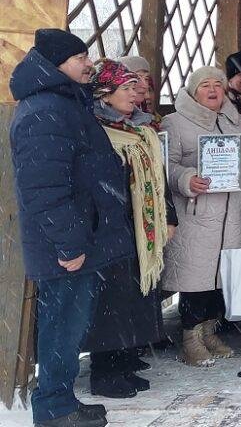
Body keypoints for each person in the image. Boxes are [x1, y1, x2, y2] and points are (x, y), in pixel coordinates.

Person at [10, 29, 130, 427]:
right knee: (61, 327)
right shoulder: (44, 111)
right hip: (65, 247)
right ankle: (54, 409)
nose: (89, 64)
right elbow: (44, 189)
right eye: (81, 58)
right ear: (57, 64)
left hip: (77, 238)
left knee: (68, 326)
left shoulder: (61, 103)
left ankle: (60, 401)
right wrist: (69, 244)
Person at [82, 60, 176, 398]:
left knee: (134, 294)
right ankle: (104, 371)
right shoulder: (94, 131)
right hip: (108, 226)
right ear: (105, 94)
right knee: (110, 300)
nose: (135, 93)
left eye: (135, 87)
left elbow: (158, 180)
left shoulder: (140, 130)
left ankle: (124, 360)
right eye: (126, 88)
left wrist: (168, 216)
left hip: (139, 225)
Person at [161, 66, 241, 367]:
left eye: (217, 85)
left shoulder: (237, 122)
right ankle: (190, 339)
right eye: (205, 85)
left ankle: (209, 332)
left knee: (220, 280)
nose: (212, 90)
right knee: (195, 281)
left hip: (230, 214)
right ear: (193, 91)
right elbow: (165, 166)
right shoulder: (175, 122)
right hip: (196, 214)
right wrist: (187, 178)